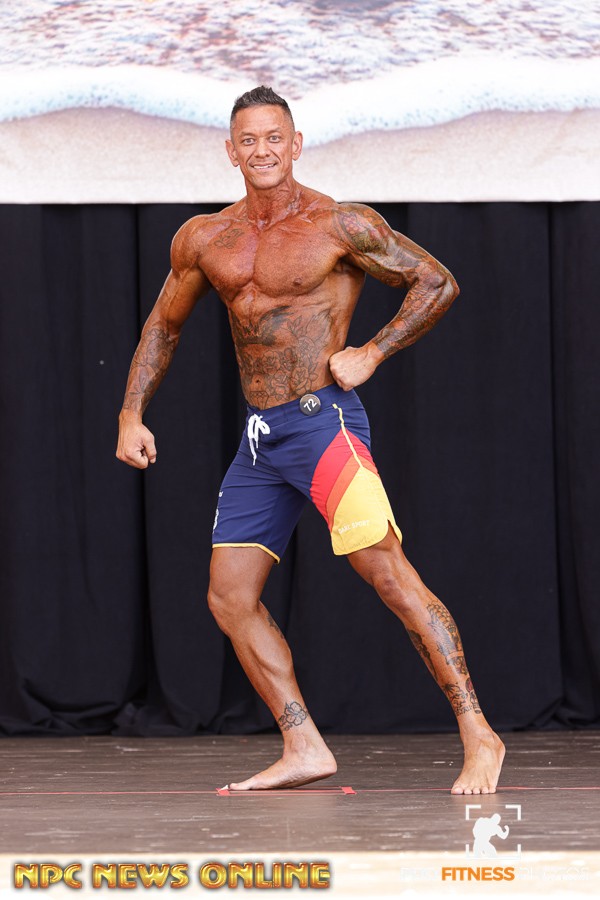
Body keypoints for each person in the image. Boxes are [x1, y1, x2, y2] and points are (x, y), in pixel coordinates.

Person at [116, 85, 505, 795]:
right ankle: (303, 744)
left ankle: (480, 733)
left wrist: (374, 352)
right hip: (261, 441)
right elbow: (164, 326)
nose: (262, 150)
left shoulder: (338, 223)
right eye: (249, 140)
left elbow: (436, 283)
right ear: (231, 150)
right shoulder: (205, 237)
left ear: (295, 145)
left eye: (274, 138)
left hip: (324, 425)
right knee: (229, 597)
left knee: (388, 574)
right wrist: (131, 413)